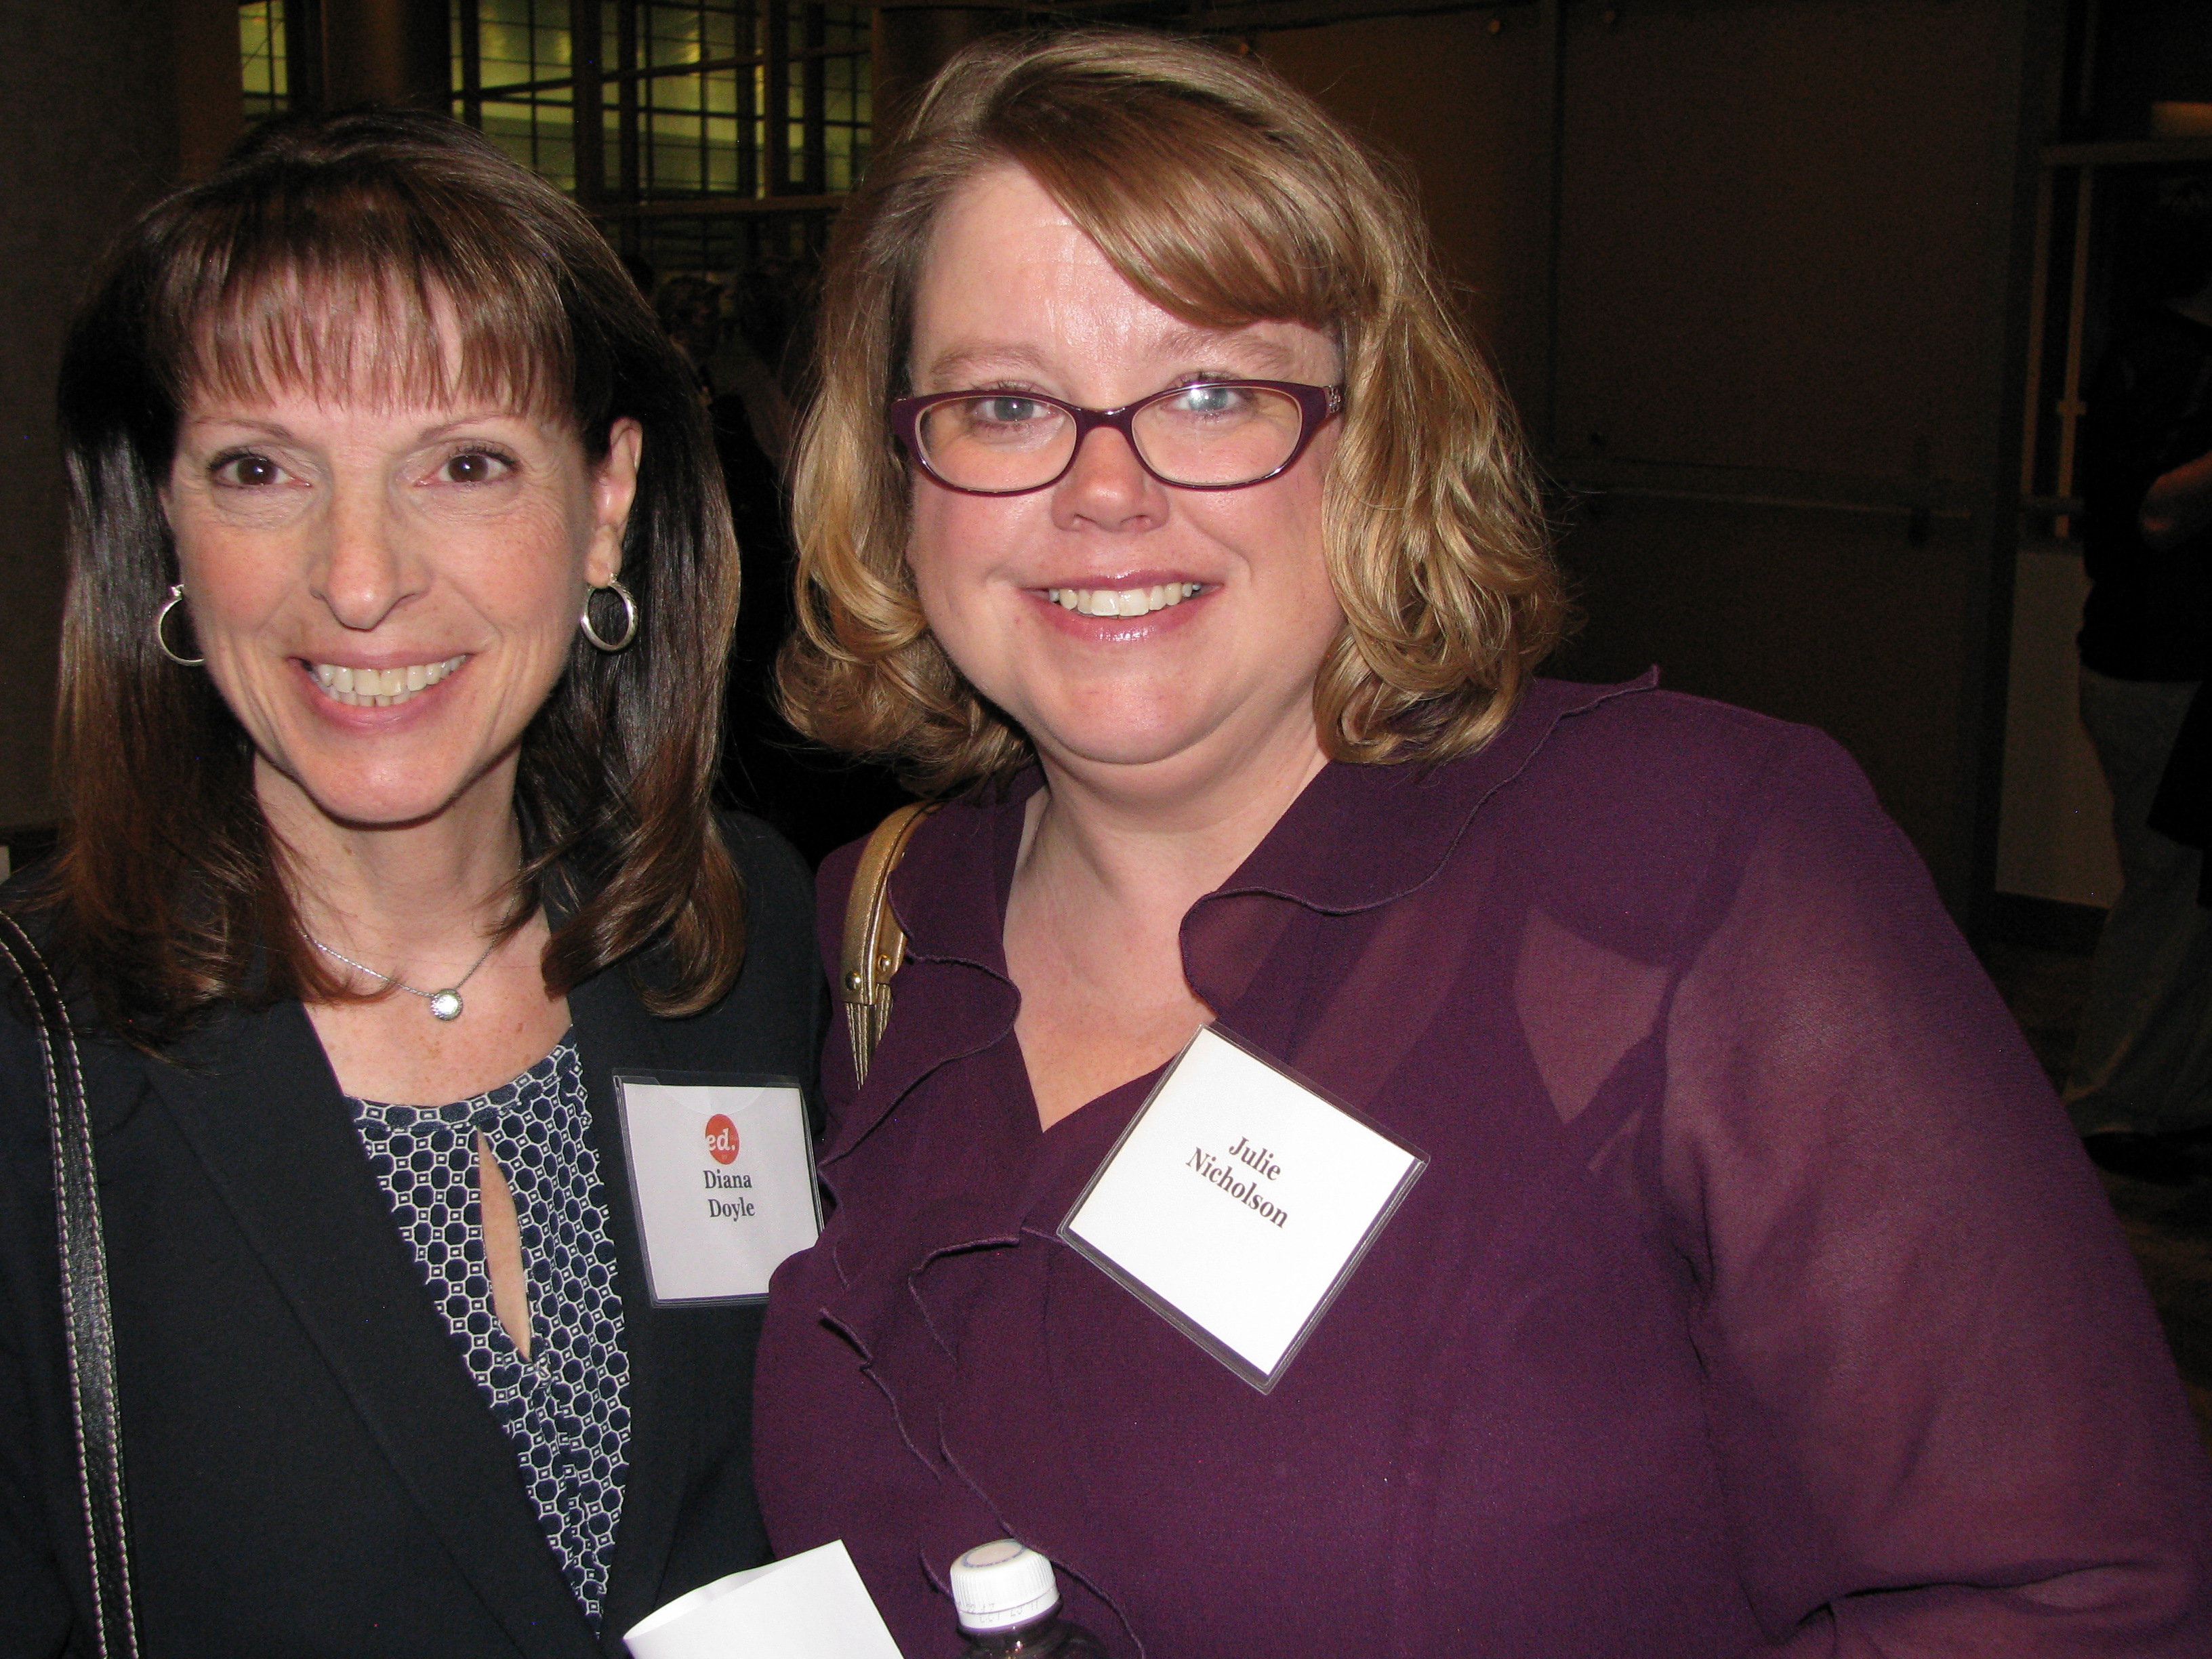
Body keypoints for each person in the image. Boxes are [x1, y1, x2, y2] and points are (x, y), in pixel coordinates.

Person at [752, 28, 2212, 1657]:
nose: (1106, 491)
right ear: (900, 468)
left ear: (1373, 435)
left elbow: (2064, 1597)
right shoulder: (885, 924)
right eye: (1009, 403)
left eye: (1215, 392)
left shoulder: (1689, 875)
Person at [0, 108, 819, 1656]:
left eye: (463, 463)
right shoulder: (33, 1059)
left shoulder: (739, 936)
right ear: (162, 520)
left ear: (604, 503)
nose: (360, 576)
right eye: (259, 468)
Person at [2067, 174, 2212, 1187]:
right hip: (2160, 671)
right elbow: (2155, 515)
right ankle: (2117, 1103)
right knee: (2170, 891)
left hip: (2144, 661)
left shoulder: (2146, 350)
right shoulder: (2172, 361)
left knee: (2176, 892)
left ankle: (2154, 1098)